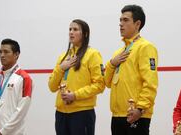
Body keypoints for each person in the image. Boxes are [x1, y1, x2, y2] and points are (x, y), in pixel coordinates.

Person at [104, 5, 158, 135]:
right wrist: (112, 63)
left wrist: (140, 109)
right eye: (120, 20)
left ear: (137, 24)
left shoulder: (146, 47)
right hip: (117, 116)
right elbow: (107, 82)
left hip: (137, 115)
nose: (121, 24)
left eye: (125, 20)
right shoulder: (120, 52)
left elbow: (150, 83)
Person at [48, 19, 105, 135]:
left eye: (75, 29)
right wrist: (61, 68)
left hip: (82, 114)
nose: (71, 32)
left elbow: (100, 85)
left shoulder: (93, 55)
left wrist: (75, 95)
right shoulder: (63, 57)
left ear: (85, 34)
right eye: (70, 29)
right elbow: (52, 86)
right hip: (61, 113)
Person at [0, 39, 33, 135]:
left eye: (6, 52)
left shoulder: (25, 78)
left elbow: (21, 112)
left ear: (16, 54)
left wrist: (3, 132)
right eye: (0, 52)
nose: (2, 55)